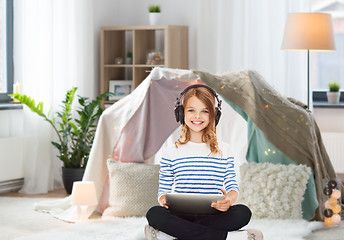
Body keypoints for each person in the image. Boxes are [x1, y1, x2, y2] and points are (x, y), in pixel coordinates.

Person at [145, 84, 263, 240]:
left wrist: (228, 201)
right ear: (181, 113)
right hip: (182, 215)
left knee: (242, 213)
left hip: (214, 215)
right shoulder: (170, 152)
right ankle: (229, 238)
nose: (197, 116)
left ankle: (170, 236)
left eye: (204, 111)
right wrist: (163, 200)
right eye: (191, 110)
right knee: (154, 213)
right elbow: (163, 191)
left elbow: (232, 187)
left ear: (214, 115)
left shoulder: (225, 150)